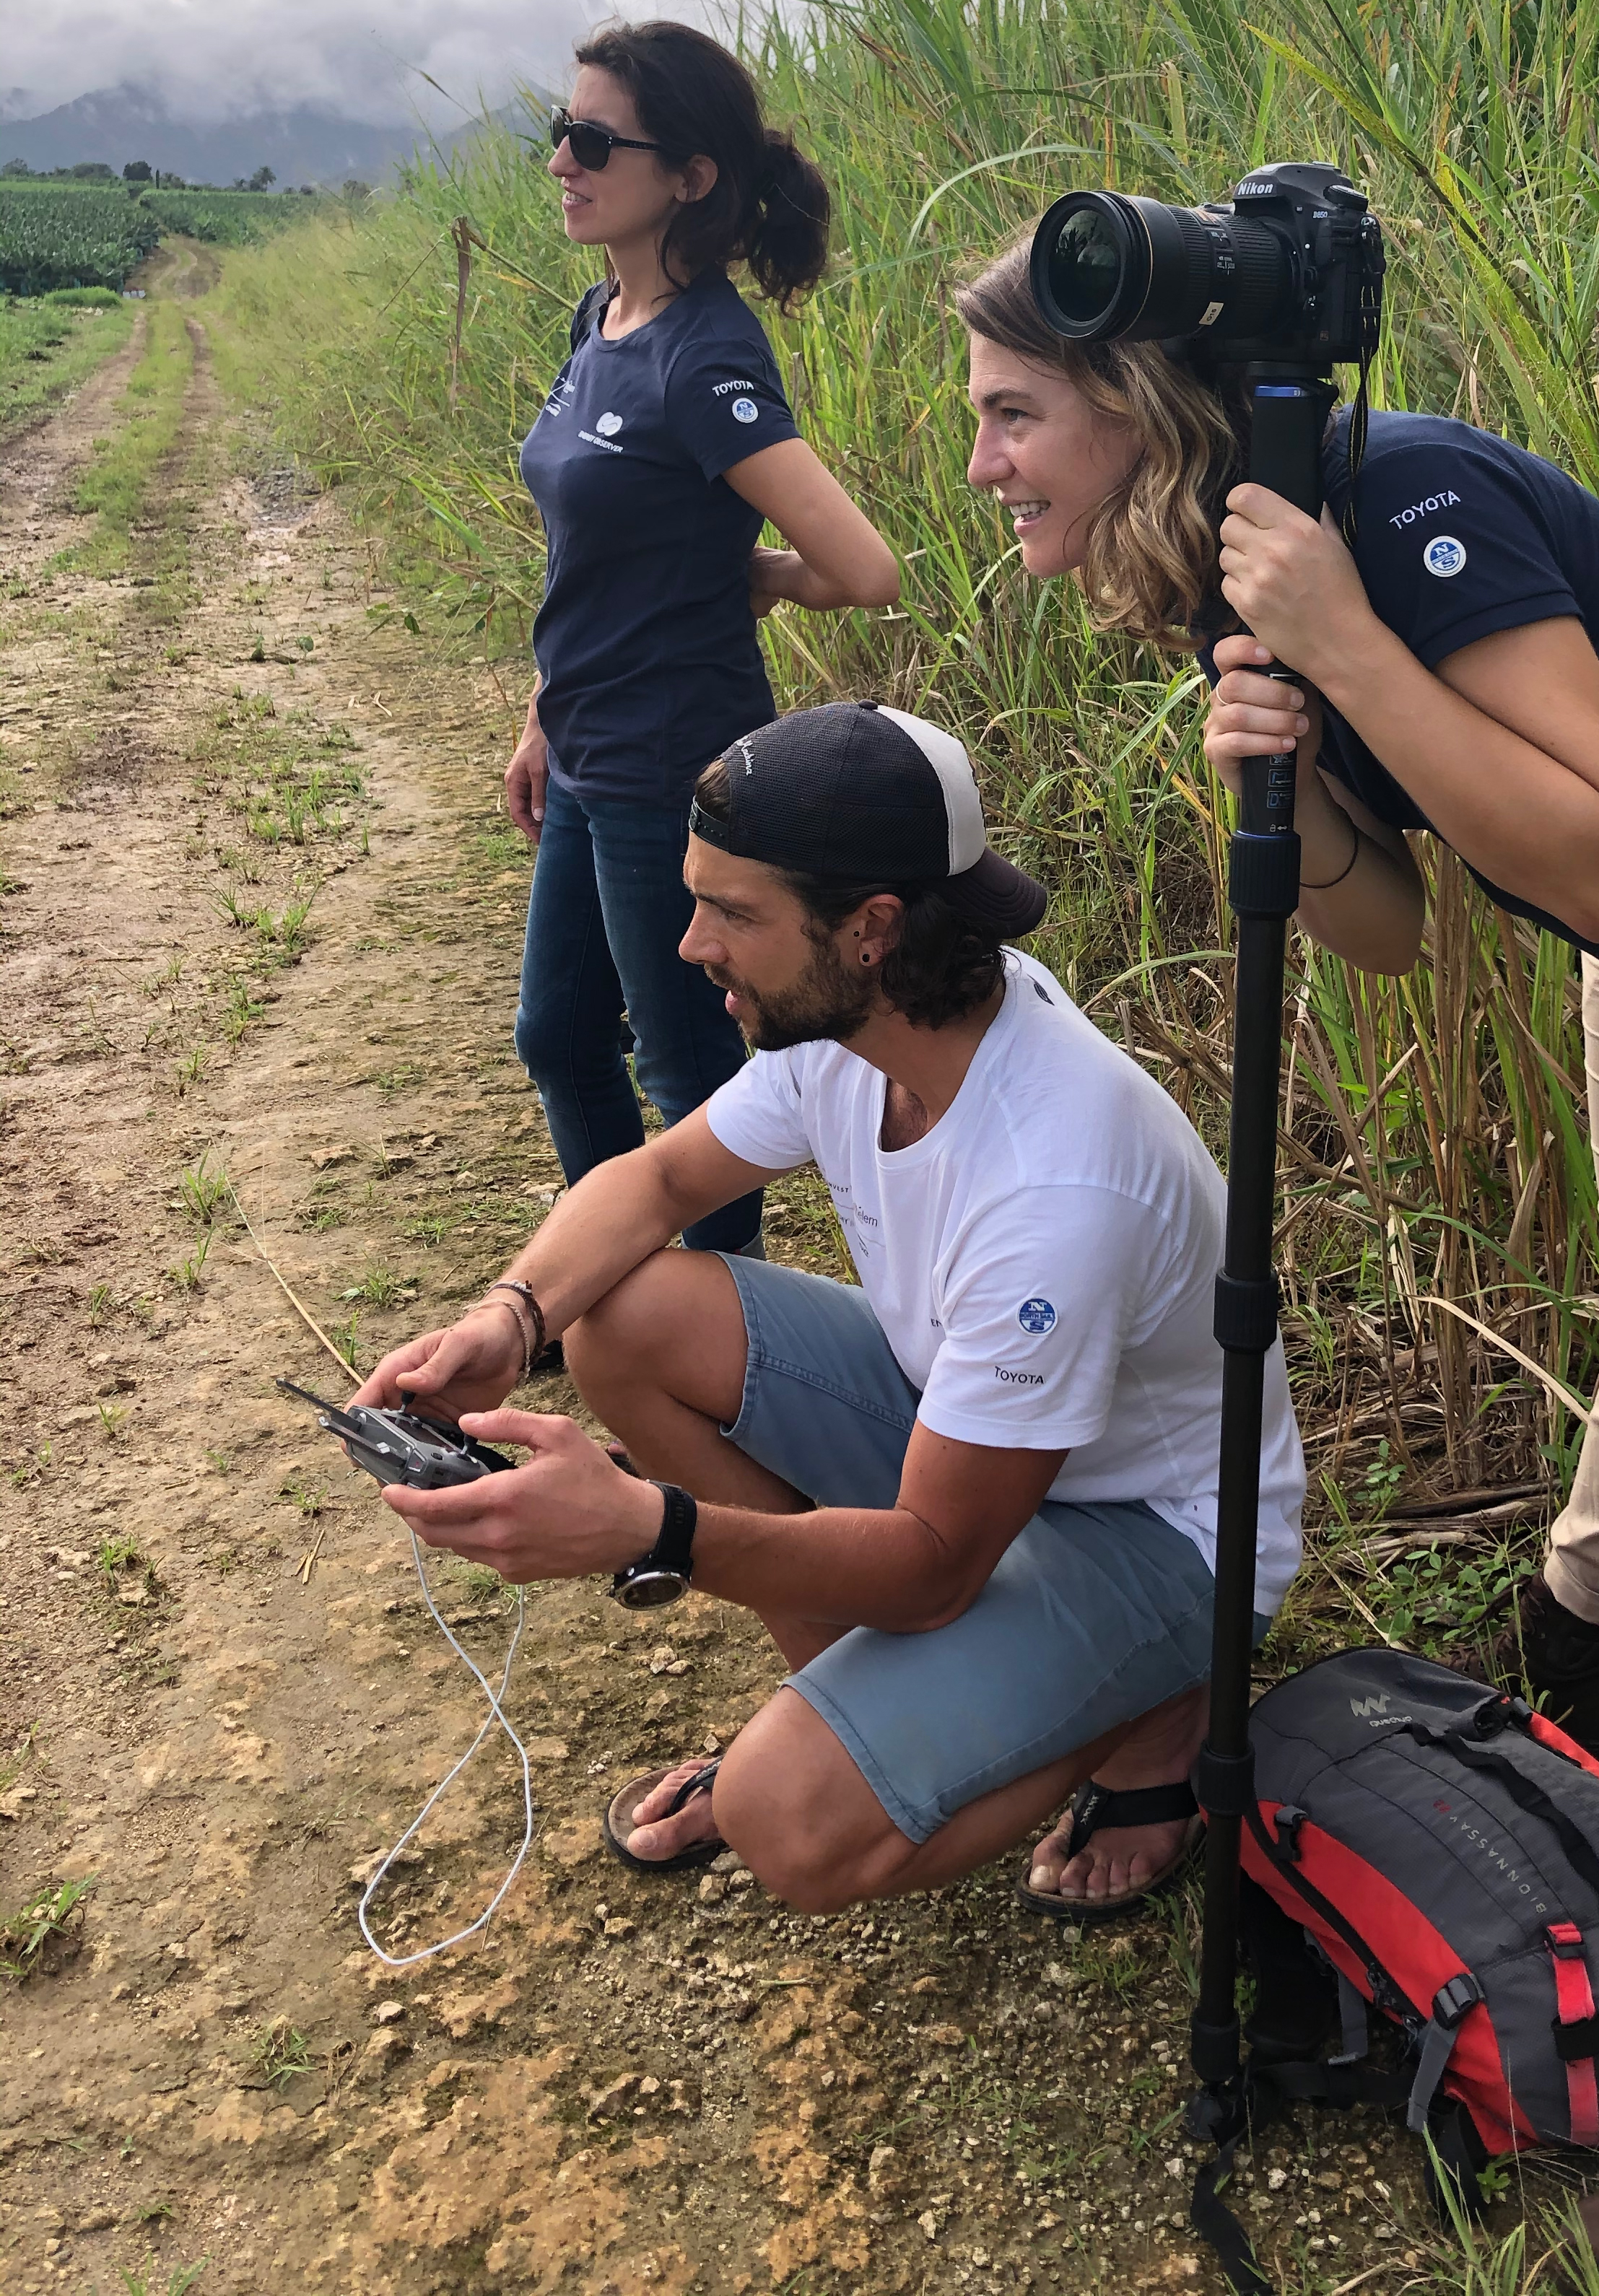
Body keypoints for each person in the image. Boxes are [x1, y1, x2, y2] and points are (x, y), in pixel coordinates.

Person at [955, 233, 1599, 2295]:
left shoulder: (1401, 507)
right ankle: (1582, 1663)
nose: (980, 464)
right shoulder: (1237, 557)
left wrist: (1349, 640)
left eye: (1009, 415)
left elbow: (1591, 843)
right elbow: (1388, 928)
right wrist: (1283, 775)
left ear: (1134, 407)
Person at [354, 701, 1307, 1920]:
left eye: (732, 914)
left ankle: (1150, 1724)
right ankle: (863, 1701)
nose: (692, 942)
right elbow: (655, 1181)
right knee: (622, 1314)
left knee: (787, 1823)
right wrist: (510, 1319)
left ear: (871, 929)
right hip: (970, 1438)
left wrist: (651, 1527)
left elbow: (935, 1567)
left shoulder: (1053, 1185)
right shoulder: (862, 1020)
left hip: (1160, 1534)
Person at [507, 21, 899, 1259]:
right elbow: (593, 553)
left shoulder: (704, 355)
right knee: (559, 1035)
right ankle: (619, 1275)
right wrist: (539, 714)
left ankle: (716, 1338)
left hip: (668, 761)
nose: (562, 161)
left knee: (686, 1075)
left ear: (689, 176)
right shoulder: (600, 319)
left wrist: (761, 578)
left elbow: (864, 567)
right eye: (558, 133)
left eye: (590, 140)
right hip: (585, 744)